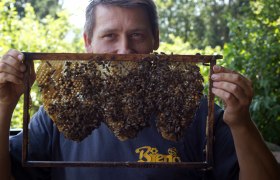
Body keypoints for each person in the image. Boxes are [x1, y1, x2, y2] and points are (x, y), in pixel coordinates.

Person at [0, 0, 279, 179]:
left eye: (137, 35)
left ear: (155, 40)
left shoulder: (197, 113)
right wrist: (4, 106)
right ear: (88, 42)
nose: (124, 49)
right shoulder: (56, 114)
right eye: (110, 35)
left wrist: (241, 123)